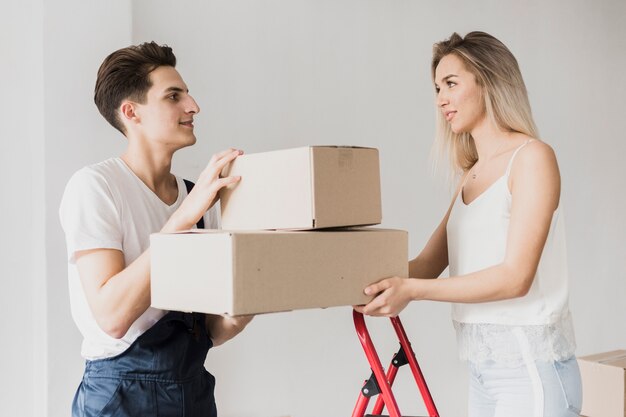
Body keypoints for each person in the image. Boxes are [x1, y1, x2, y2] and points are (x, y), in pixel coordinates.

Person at [355, 32, 581, 417]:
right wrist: (359, 282)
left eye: (451, 84)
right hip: (482, 372)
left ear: (489, 79)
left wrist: (411, 290)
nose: (440, 99)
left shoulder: (532, 159)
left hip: (531, 371)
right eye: (437, 87)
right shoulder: (471, 176)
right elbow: (427, 262)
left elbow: (515, 277)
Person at [59, 41, 252, 417]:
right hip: (119, 396)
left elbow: (211, 331)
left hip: (191, 391)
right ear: (131, 112)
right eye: (173, 96)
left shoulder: (198, 197)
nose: (193, 106)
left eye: (188, 95)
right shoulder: (96, 187)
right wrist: (181, 219)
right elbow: (113, 318)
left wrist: (252, 293)